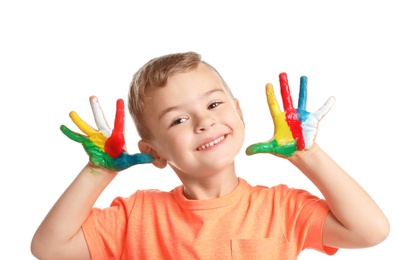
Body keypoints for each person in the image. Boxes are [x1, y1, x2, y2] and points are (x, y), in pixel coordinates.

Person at [31, 52, 389, 259]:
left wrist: (307, 154)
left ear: (239, 112)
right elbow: (48, 248)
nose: (205, 121)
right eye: (179, 119)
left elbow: (370, 231)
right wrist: (97, 171)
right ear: (153, 151)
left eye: (214, 104)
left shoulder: (282, 208)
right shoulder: (136, 215)